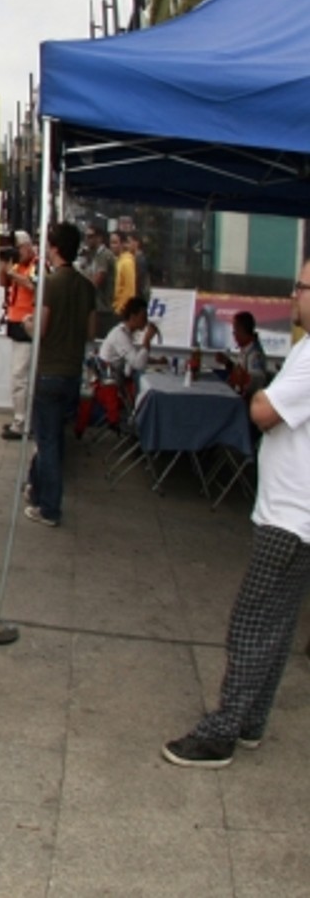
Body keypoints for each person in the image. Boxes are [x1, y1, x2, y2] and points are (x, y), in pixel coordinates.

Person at [161, 261, 310, 768]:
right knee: (278, 623)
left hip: (290, 517)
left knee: (250, 624)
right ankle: (252, 720)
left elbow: (263, 412)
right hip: (297, 515)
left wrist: (263, 395)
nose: (294, 295)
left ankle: (221, 732)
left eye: (302, 287)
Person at [24, 222, 95, 529]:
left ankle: (49, 507)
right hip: (72, 370)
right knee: (54, 437)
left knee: (47, 440)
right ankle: (36, 489)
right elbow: (91, 332)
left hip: (49, 369)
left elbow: (41, 329)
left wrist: (29, 323)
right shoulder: (86, 286)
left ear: (54, 247)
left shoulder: (51, 284)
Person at [0, 231, 38, 440]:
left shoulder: (36, 264)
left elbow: (34, 285)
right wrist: (3, 264)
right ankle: (20, 417)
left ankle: (22, 421)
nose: (18, 253)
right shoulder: (16, 265)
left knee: (20, 376)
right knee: (19, 376)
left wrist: (13, 273)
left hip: (28, 324)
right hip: (16, 322)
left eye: (19, 248)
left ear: (28, 246)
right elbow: (2, 283)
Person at [99, 295, 160, 377]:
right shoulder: (120, 335)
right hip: (111, 379)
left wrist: (155, 361)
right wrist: (147, 339)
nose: (146, 321)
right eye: (143, 317)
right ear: (133, 317)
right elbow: (138, 364)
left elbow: (132, 357)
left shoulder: (126, 333)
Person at [219, 310, 270, 398]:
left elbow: (258, 380)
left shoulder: (255, 354)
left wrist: (243, 379)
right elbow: (240, 372)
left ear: (242, 330)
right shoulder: (246, 350)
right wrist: (228, 363)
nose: (234, 334)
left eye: (235, 330)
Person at [112, 229, 139, 317]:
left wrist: (120, 309)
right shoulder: (118, 261)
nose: (112, 246)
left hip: (121, 311)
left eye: (115, 243)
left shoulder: (127, 262)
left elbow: (129, 290)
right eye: (111, 243)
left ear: (123, 244)